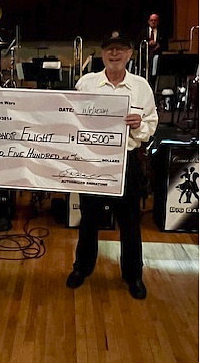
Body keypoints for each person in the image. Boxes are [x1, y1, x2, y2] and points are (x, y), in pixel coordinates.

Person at [66, 29, 158, 299]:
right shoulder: (86, 83)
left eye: (120, 49)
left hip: (127, 162)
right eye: (109, 49)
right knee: (89, 219)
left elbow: (151, 124)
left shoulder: (141, 87)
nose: (114, 54)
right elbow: (70, 116)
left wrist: (139, 126)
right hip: (91, 162)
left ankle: (133, 275)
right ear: (102, 53)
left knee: (129, 221)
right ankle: (82, 267)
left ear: (130, 53)